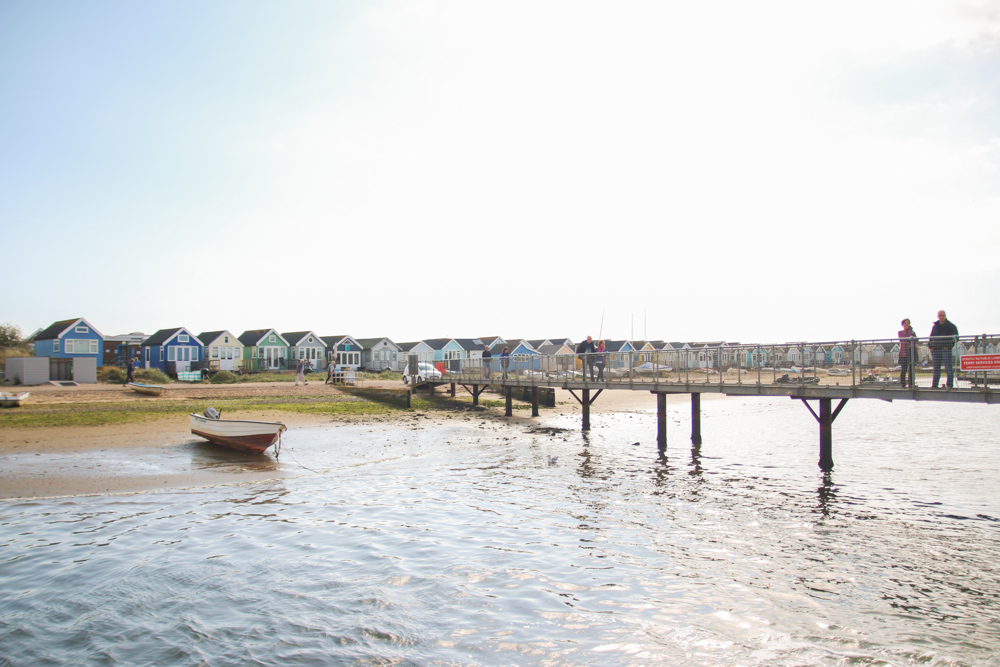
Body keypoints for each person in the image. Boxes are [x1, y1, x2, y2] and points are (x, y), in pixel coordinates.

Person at [929, 309, 958, 389]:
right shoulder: (935, 327)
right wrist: (931, 347)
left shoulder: (951, 326)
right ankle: (934, 385)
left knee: (948, 367)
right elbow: (931, 337)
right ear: (938, 317)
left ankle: (949, 385)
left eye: (943, 315)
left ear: (945, 316)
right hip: (936, 350)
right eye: (940, 316)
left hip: (945, 349)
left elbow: (955, 338)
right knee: (936, 368)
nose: (942, 317)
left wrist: (948, 346)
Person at [898, 318, 917, 388]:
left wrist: (910, 330)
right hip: (903, 353)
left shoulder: (912, 332)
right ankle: (903, 384)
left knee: (911, 369)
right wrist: (908, 333)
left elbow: (913, 340)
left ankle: (911, 384)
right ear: (903, 324)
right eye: (905, 323)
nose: (906, 325)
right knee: (904, 369)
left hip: (911, 352)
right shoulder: (900, 332)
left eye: (908, 323)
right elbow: (904, 338)